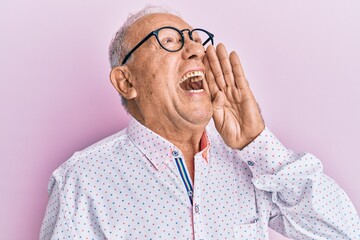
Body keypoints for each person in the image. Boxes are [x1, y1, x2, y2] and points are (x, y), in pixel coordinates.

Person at [40, 5, 359, 240]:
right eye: (168, 40)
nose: (196, 49)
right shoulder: (84, 179)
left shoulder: (253, 164)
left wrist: (258, 143)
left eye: (196, 40)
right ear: (126, 82)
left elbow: (344, 233)